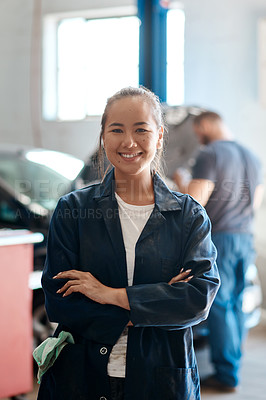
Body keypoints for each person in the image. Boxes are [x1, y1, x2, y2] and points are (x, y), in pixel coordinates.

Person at [37, 87, 220, 400]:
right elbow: (60, 301)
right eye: (117, 130)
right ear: (103, 137)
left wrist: (110, 294)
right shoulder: (74, 210)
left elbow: (196, 299)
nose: (128, 142)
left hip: (160, 379)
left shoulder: (188, 215)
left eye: (141, 130)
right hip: (81, 378)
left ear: (159, 136)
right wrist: (158, 301)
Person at [173, 111, 264, 393]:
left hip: (220, 238)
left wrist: (179, 181)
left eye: (198, 130)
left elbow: (195, 201)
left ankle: (226, 375)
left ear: (206, 125)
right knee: (236, 302)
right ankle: (232, 365)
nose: (198, 137)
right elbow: (257, 201)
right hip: (245, 236)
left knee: (220, 305)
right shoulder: (252, 156)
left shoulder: (210, 154)